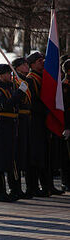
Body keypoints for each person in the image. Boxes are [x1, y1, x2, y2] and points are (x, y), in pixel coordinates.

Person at [0, 64, 28, 202]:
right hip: (1, 126)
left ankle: (14, 189)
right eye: (7, 73)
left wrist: (20, 91)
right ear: (1, 75)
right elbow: (5, 105)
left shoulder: (10, 87)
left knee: (11, 158)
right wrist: (19, 93)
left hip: (11, 126)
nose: (10, 75)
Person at [26, 52, 52, 196]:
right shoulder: (31, 80)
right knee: (35, 154)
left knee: (45, 153)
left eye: (43, 60)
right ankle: (33, 187)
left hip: (43, 120)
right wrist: (46, 109)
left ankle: (47, 185)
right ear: (32, 64)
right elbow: (32, 102)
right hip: (35, 120)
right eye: (39, 61)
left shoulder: (43, 77)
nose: (42, 62)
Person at [11, 57, 33, 199]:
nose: (27, 66)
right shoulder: (15, 81)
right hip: (18, 119)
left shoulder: (26, 79)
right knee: (17, 155)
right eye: (24, 64)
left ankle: (26, 187)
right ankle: (16, 188)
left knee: (25, 154)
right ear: (17, 67)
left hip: (27, 119)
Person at [61, 59, 70, 191]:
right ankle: (66, 181)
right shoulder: (65, 86)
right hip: (68, 125)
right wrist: (67, 127)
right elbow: (66, 108)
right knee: (67, 155)